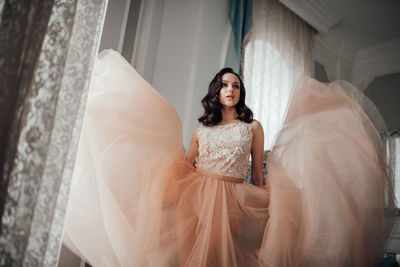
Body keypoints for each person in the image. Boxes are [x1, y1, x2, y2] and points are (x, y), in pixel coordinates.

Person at [63, 49, 396, 267]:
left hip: (236, 198)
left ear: (240, 92)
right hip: (196, 195)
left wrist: (268, 196)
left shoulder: (252, 127)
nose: (230, 89)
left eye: (235, 85)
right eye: (224, 85)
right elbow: (186, 165)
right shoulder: (201, 130)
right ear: (216, 91)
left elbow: (258, 176)